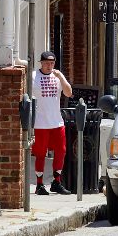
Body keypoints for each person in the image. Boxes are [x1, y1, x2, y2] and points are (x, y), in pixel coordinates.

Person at [30, 51, 71, 196]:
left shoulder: (58, 76)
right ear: (41, 63)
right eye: (46, 63)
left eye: (52, 63)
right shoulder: (34, 76)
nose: (49, 66)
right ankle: (39, 184)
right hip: (40, 122)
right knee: (40, 153)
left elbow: (68, 93)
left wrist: (61, 77)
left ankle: (56, 182)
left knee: (61, 150)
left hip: (56, 121)